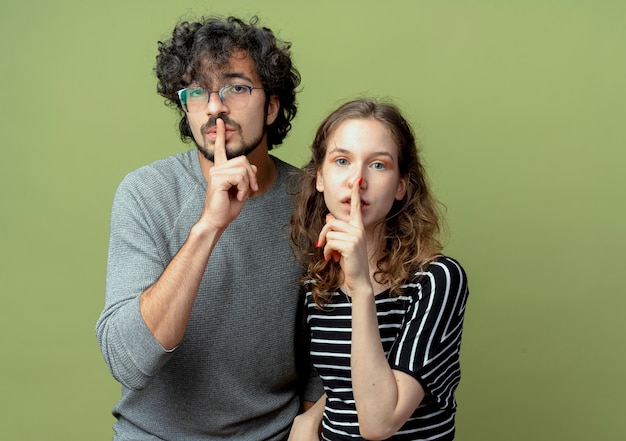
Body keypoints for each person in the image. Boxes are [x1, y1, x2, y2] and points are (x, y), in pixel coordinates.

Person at [96, 16, 323, 440]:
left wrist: (309, 423)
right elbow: (127, 361)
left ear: (272, 106)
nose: (215, 106)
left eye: (236, 87)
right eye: (198, 91)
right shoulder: (146, 193)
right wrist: (209, 226)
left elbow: (323, 345)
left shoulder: (311, 200)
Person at [288, 98, 469, 440]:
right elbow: (346, 385)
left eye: (378, 165)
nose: (357, 180)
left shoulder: (437, 280)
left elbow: (378, 423)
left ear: (401, 185)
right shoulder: (318, 281)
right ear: (320, 178)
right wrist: (310, 419)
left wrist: (361, 289)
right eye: (342, 161)